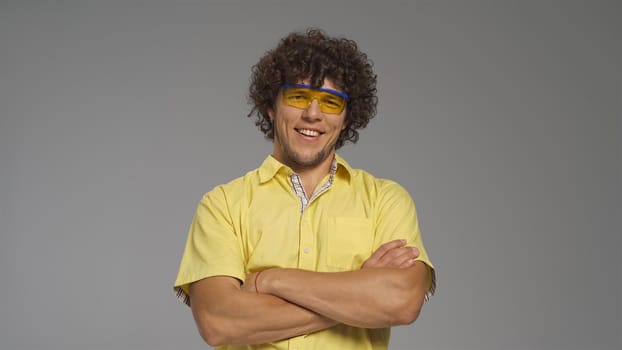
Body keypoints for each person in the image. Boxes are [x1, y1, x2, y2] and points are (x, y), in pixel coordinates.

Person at [173, 28, 436, 350]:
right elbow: (219, 323)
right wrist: (357, 294)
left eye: (331, 101)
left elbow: (403, 301)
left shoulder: (386, 201)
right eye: (298, 96)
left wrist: (271, 280)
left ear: (346, 116)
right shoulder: (223, 205)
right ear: (272, 106)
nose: (313, 114)